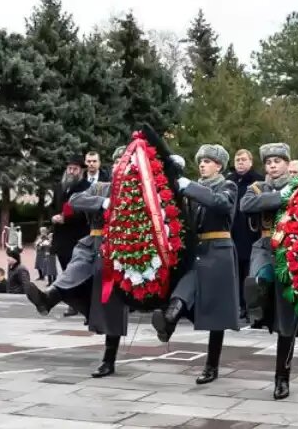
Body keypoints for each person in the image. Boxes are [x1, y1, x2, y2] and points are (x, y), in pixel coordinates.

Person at [26, 147, 132, 378]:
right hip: (91, 241)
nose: (117, 167)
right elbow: (76, 199)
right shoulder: (100, 187)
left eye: (122, 163)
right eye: (115, 163)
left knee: (111, 302)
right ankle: (48, 298)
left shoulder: (135, 191)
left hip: (118, 248)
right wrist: (103, 204)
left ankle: (109, 359)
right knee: (73, 273)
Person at [151, 144, 240, 385]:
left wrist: (189, 187)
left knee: (216, 313)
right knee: (183, 291)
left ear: (219, 166)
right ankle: (168, 320)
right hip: (198, 250)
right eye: (201, 161)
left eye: (208, 161)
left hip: (219, 251)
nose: (202, 164)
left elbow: (221, 204)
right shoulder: (192, 190)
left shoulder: (227, 185)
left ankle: (212, 366)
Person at [240, 142, 298, 400]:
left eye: (278, 161)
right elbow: (247, 204)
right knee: (255, 282)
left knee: (287, 323)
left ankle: (282, 378)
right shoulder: (257, 187)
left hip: (292, 251)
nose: (273, 166)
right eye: (268, 162)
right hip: (265, 247)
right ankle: (258, 314)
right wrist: (281, 197)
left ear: (288, 163)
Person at [228, 149, 262, 321]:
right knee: (235, 271)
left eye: (243, 159)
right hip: (232, 231)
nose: (239, 162)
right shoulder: (230, 181)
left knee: (249, 270)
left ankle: (250, 307)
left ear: (250, 162)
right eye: (237, 159)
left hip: (250, 231)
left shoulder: (257, 181)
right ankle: (238, 305)